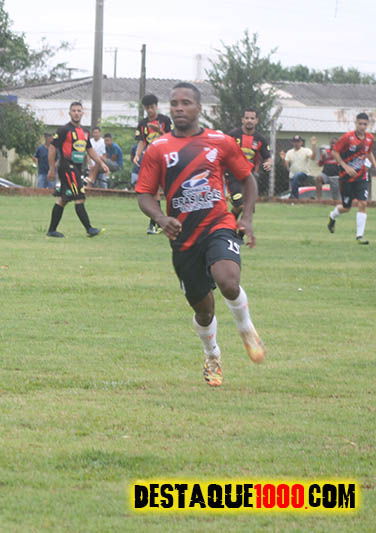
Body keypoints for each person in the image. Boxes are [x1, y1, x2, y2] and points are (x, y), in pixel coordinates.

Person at [135, 82, 266, 388]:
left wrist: (246, 218)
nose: (179, 108)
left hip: (218, 224)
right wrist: (160, 218)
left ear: (199, 108)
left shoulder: (220, 142)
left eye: (186, 103)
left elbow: (248, 179)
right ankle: (212, 354)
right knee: (203, 310)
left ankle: (246, 329)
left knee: (228, 280)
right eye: (174, 103)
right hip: (183, 238)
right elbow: (144, 194)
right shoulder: (158, 148)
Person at [46, 101, 108, 238]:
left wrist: (101, 163)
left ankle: (52, 230)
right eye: (73, 111)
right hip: (67, 167)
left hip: (77, 168)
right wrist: (51, 169)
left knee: (63, 199)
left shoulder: (85, 131)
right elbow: (52, 147)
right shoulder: (64, 130)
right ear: (69, 113)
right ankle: (89, 229)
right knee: (80, 196)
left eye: (79, 111)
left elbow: (89, 150)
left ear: (82, 113)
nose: (76, 113)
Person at [327, 113, 376, 244]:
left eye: (365, 124)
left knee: (363, 203)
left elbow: (368, 152)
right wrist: (345, 166)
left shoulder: (370, 138)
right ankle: (332, 216)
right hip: (346, 178)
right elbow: (334, 151)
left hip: (361, 177)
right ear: (356, 123)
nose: (362, 126)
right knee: (346, 208)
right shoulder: (348, 137)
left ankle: (359, 237)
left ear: (368, 125)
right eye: (360, 124)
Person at [134, 93, 173, 234]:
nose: (150, 110)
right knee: (153, 192)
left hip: (166, 159)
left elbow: (171, 138)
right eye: (147, 108)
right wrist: (137, 154)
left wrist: (158, 131)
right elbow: (142, 141)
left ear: (156, 106)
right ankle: (154, 224)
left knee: (171, 191)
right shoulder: (142, 124)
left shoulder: (165, 120)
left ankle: (172, 220)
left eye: (152, 107)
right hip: (151, 161)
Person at [226, 108, 272, 219]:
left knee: (248, 208)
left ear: (256, 120)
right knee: (241, 204)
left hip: (248, 177)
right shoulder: (232, 135)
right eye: (247, 118)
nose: (249, 120)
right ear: (242, 120)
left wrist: (268, 163)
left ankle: (236, 229)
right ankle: (231, 227)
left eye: (252, 118)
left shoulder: (260, 139)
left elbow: (267, 157)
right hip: (232, 176)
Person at [316, 138, 341, 202]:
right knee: (318, 178)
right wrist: (322, 159)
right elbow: (319, 164)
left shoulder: (341, 152)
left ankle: (335, 201)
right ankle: (319, 199)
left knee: (335, 197)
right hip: (326, 174)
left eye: (335, 143)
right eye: (332, 143)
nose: (333, 145)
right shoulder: (326, 152)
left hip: (336, 176)